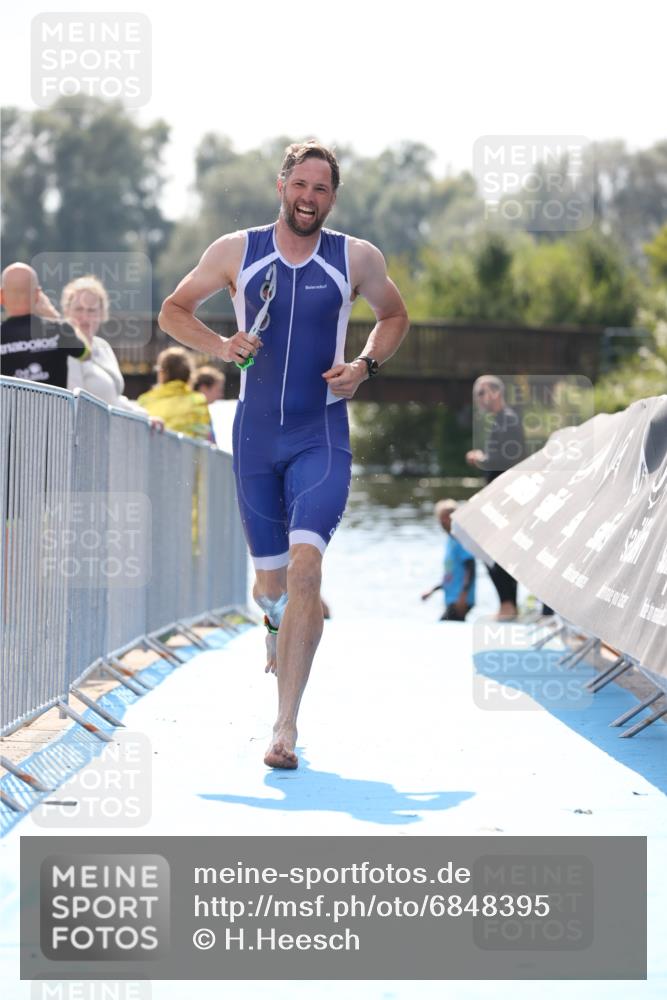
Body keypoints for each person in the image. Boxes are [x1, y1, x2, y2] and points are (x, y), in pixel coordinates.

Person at [158, 139, 409, 769]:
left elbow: (393, 315)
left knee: (306, 571)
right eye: (301, 185)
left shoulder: (355, 257)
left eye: (322, 189)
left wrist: (365, 365)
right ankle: (276, 622)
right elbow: (173, 311)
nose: (309, 198)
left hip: (320, 434)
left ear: (332, 197)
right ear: (282, 186)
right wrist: (220, 345)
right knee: (271, 584)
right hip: (255, 437)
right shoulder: (236, 251)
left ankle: (284, 726)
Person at [465, 374, 525, 620]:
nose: (478, 398)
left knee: (490, 548)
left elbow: (505, 459)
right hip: (500, 496)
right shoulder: (501, 420)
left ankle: (508, 605)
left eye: (482, 392)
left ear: (496, 393)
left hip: (505, 498)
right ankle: (508, 605)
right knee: (498, 550)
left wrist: (479, 458)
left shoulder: (507, 420)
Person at [62, 275, 147, 414]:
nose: (85, 317)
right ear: (67, 311)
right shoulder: (69, 350)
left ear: (102, 313)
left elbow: (115, 399)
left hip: (112, 431)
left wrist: (146, 416)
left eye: (91, 310)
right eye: (78, 309)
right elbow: (73, 401)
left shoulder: (103, 346)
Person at [0, 263, 88, 385]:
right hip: (55, 404)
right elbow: (85, 354)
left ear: (1, 297)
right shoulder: (59, 330)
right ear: (37, 295)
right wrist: (54, 315)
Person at [138, 347, 213, 440]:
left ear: (161, 373)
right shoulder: (198, 400)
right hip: (189, 454)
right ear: (189, 374)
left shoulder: (144, 400)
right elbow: (205, 436)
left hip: (153, 453)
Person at [421, 499, 476, 621]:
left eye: (447, 518)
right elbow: (450, 576)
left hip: (460, 599)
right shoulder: (450, 541)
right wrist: (432, 591)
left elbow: (470, 567)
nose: (443, 521)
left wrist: (463, 596)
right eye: (441, 518)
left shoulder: (461, 539)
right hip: (452, 598)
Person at [191, 365, 236, 452]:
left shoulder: (202, 409)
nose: (221, 395)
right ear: (204, 388)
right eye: (219, 390)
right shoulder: (196, 410)